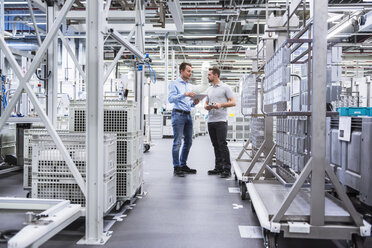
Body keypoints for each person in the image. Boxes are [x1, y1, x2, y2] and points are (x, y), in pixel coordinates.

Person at [168, 62, 200, 177]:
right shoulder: (174, 83)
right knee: (177, 142)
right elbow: (171, 99)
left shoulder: (189, 85)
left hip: (187, 115)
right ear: (181, 71)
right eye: (188, 71)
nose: (190, 73)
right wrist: (184, 94)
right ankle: (176, 167)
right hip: (178, 115)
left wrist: (194, 103)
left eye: (191, 71)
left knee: (189, 141)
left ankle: (183, 164)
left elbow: (188, 103)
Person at [205, 67, 236, 178]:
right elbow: (206, 104)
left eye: (209, 75)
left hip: (221, 121)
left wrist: (221, 105)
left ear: (216, 75)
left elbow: (233, 102)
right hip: (211, 120)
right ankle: (218, 167)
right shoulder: (209, 89)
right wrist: (207, 107)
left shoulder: (225, 87)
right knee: (215, 145)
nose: (207, 76)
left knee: (222, 144)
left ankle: (226, 169)